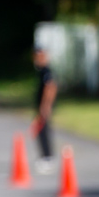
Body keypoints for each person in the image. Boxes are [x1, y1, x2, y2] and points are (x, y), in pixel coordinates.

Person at [33, 46, 58, 174]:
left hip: (44, 108)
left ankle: (48, 158)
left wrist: (45, 106)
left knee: (44, 132)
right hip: (42, 107)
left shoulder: (46, 71)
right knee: (41, 132)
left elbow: (51, 87)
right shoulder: (42, 71)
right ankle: (45, 157)